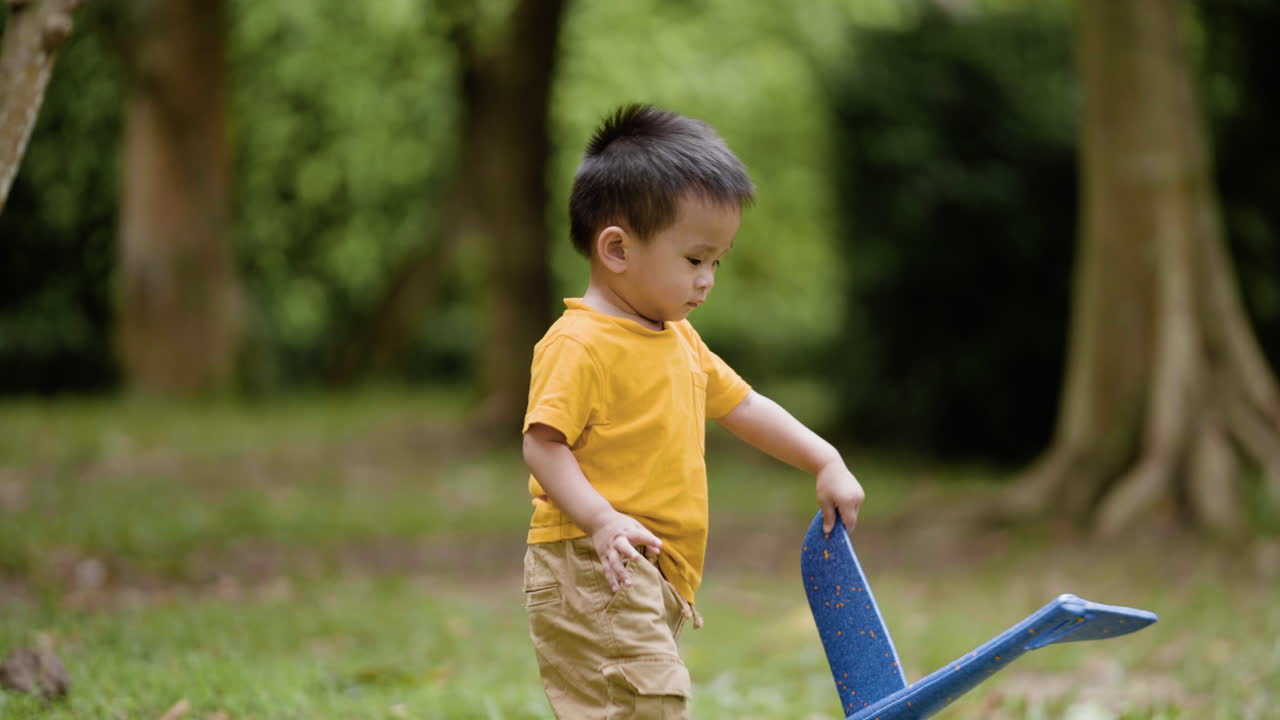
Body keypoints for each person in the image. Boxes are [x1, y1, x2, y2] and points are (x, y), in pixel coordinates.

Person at [521, 104, 865, 719]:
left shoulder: (678, 339)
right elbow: (543, 443)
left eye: (717, 262)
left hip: (649, 569)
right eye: (694, 259)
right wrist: (601, 520)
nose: (708, 280)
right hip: (594, 556)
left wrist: (824, 458)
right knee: (652, 702)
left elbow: (745, 406)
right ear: (618, 250)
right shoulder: (580, 344)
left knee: (628, 707)